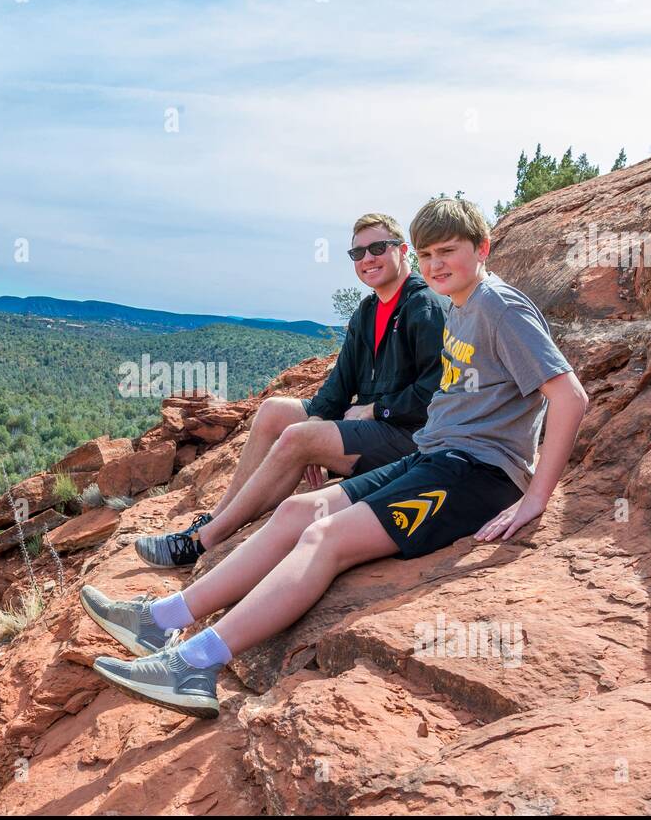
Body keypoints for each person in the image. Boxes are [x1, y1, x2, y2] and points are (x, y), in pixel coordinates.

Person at [81, 197, 590, 719]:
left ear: (481, 249)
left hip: (476, 475)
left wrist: (536, 496)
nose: (438, 264)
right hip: (435, 457)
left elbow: (569, 397)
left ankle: (194, 665)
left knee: (325, 539)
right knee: (297, 513)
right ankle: (162, 619)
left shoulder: (500, 307)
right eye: (429, 252)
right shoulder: (459, 304)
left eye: (449, 251)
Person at [134, 212, 449, 568]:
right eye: (357, 253)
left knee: (297, 438)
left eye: (377, 247)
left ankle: (204, 541)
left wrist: (375, 411)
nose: (367, 259)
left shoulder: (425, 307)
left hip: (409, 436)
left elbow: (436, 390)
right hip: (368, 428)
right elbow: (339, 384)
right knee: (274, 412)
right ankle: (216, 517)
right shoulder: (367, 311)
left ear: (402, 250)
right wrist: (316, 425)